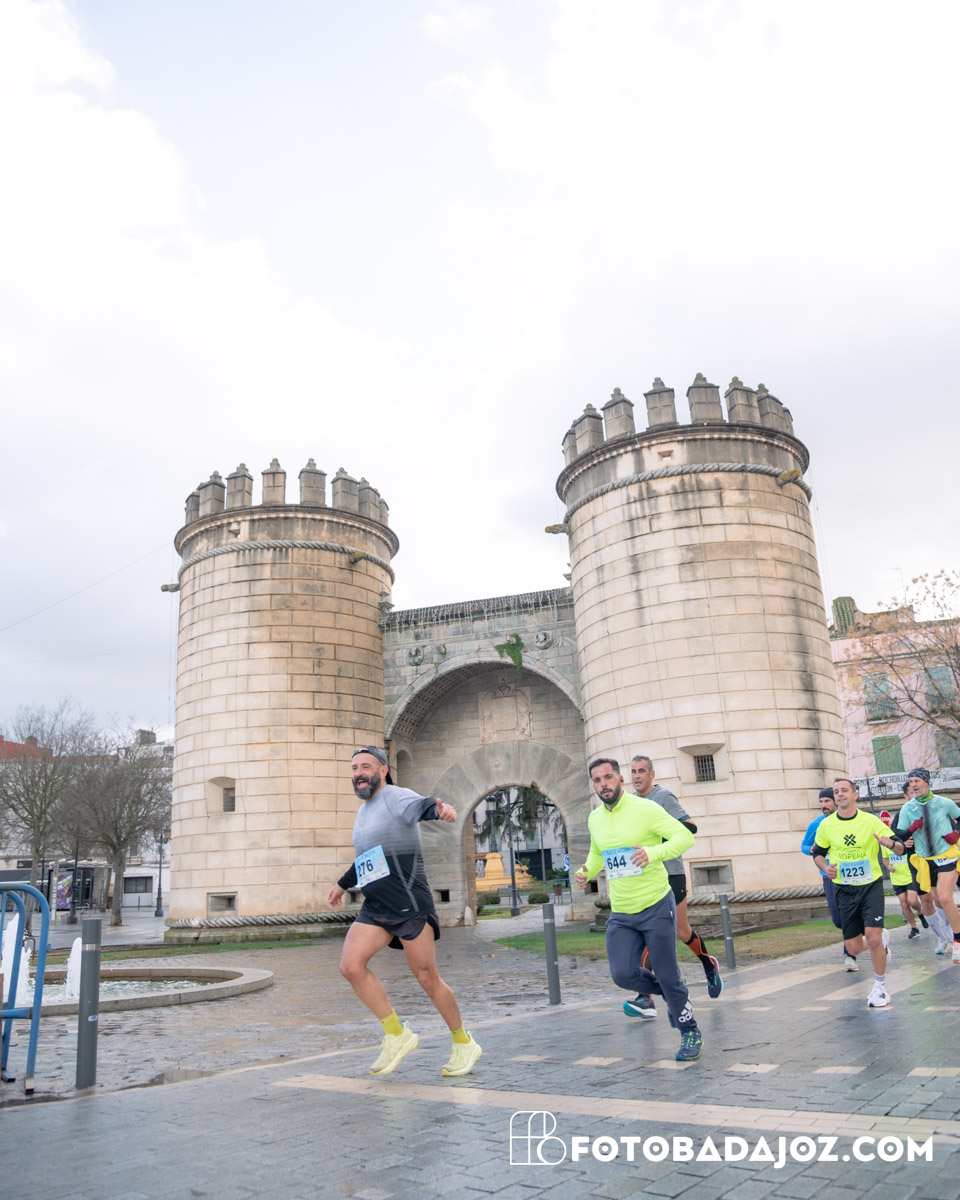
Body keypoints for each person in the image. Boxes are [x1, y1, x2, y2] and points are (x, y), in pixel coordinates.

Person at [327, 747, 482, 1077]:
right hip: (376, 906)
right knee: (350, 966)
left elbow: (421, 805)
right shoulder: (363, 812)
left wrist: (439, 809)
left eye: (365, 767)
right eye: (354, 768)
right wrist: (342, 885)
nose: (359, 774)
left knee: (427, 978)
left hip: (409, 902)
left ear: (383, 771)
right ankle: (397, 1034)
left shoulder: (395, 797)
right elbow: (366, 859)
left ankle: (463, 1042)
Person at [575, 757, 703, 1061]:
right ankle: (672, 994)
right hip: (622, 913)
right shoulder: (595, 818)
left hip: (655, 904)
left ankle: (689, 1030)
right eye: (597, 780)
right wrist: (586, 871)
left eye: (608, 777)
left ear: (620, 779)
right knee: (623, 974)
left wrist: (653, 853)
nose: (603, 785)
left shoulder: (645, 809)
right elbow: (598, 853)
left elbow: (684, 837)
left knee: (668, 974)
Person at [621, 755, 722, 1019]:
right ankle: (645, 997)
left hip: (670, 873)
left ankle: (709, 965)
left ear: (652, 774)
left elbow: (690, 827)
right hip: (644, 876)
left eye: (642, 771)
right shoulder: (629, 803)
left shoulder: (663, 797)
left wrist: (656, 842)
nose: (637, 776)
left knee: (680, 930)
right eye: (633, 772)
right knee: (649, 931)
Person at [811, 777, 906, 1008]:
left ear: (855, 795)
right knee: (853, 947)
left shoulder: (870, 821)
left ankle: (880, 988)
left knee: (872, 937)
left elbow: (901, 848)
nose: (840, 794)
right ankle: (882, 943)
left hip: (870, 886)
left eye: (844, 790)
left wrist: (891, 844)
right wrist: (825, 867)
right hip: (844, 889)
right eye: (836, 792)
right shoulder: (827, 825)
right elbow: (818, 853)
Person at [891, 767, 960, 962]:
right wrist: (911, 829)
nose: (913, 785)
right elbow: (898, 833)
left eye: (916, 781)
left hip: (946, 856)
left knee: (945, 897)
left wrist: (956, 833)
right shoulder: (907, 808)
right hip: (923, 861)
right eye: (911, 782)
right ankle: (943, 936)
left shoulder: (944, 802)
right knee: (935, 899)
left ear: (926, 783)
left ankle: (957, 941)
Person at [801, 787, 857, 970]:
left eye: (827, 801)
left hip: (850, 874)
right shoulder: (817, 824)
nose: (824, 805)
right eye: (821, 802)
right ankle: (869, 935)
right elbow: (804, 845)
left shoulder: (847, 821)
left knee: (849, 914)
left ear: (835, 802)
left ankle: (849, 955)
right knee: (838, 919)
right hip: (828, 875)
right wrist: (811, 850)